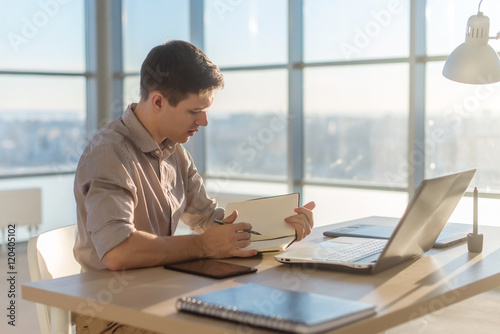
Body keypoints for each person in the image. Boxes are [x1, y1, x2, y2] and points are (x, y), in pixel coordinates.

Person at [73, 40, 315, 333]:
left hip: (161, 293)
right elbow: (118, 251)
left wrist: (282, 226)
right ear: (158, 101)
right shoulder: (108, 153)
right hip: (111, 314)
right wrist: (201, 246)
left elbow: (207, 219)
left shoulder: (174, 151)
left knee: (270, 316)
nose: (204, 121)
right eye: (194, 111)